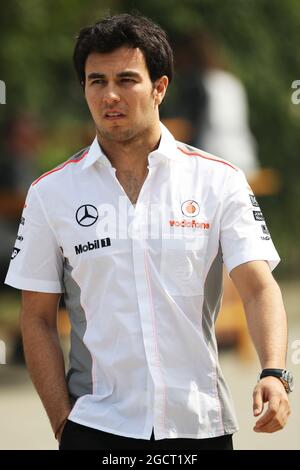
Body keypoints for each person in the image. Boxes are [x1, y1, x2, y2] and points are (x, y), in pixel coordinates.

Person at [4, 14, 292, 451]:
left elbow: (257, 288)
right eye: (96, 81)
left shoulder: (219, 181)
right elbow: (37, 316)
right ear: (83, 88)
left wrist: (274, 371)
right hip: (96, 428)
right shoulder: (51, 193)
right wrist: (63, 423)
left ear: (160, 87)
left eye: (126, 79)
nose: (110, 95)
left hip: (199, 426)